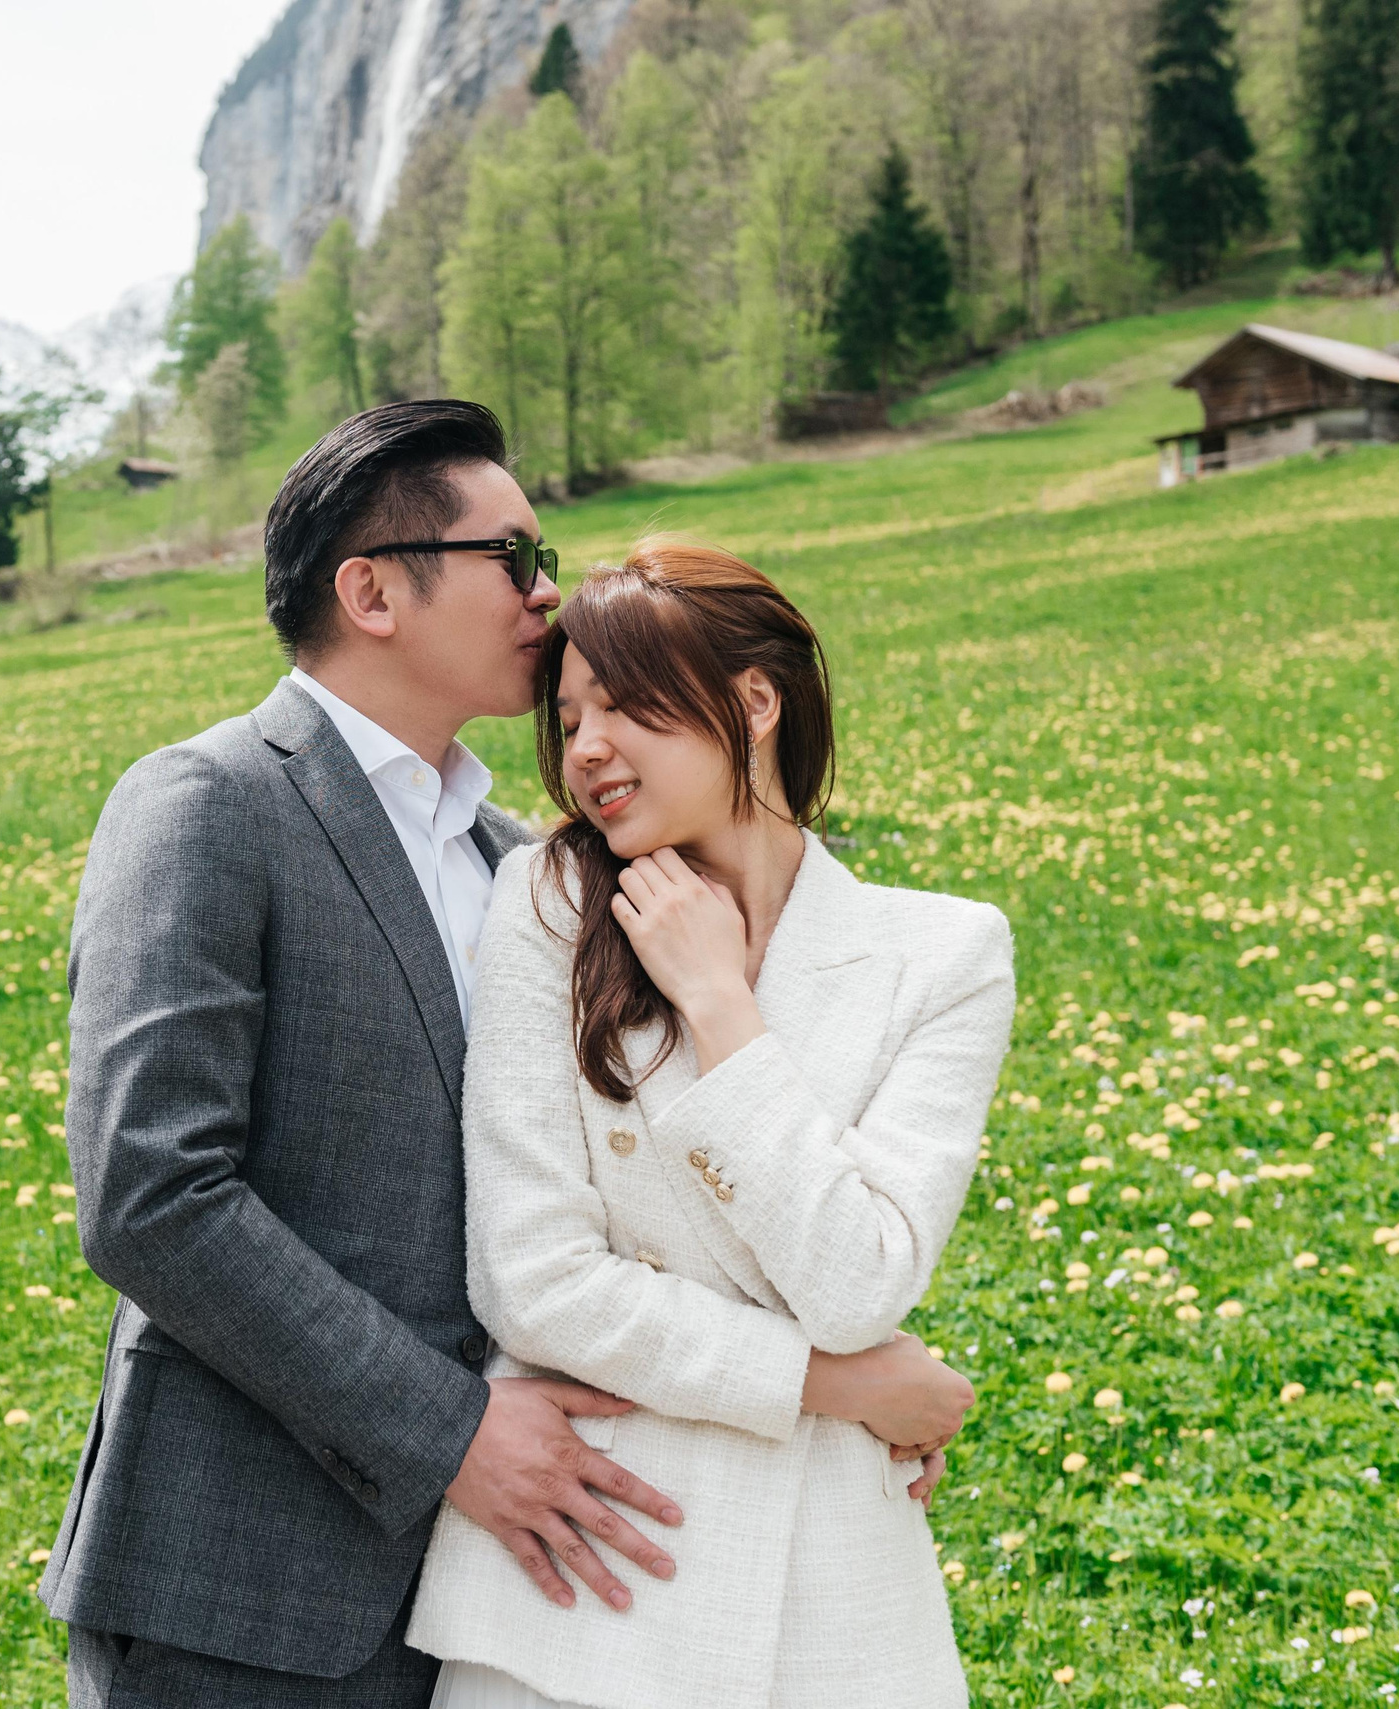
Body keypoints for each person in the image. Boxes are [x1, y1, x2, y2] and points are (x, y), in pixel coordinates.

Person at [40, 404, 975, 1708]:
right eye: (514, 556)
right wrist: (449, 1434)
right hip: (241, 1577)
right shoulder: (210, 804)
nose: (547, 594)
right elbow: (152, 1196)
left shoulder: (519, 869)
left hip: (488, 1589)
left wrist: (847, 1391)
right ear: (371, 588)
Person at [407, 540, 1014, 1709]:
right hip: (580, 1571)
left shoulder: (941, 952)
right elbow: (534, 1280)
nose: (584, 748)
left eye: (623, 705)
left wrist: (722, 1008)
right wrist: (839, 1385)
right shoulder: (549, 901)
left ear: (752, 698)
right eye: (566, 713)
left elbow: (857, 1282)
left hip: (829, 1593)